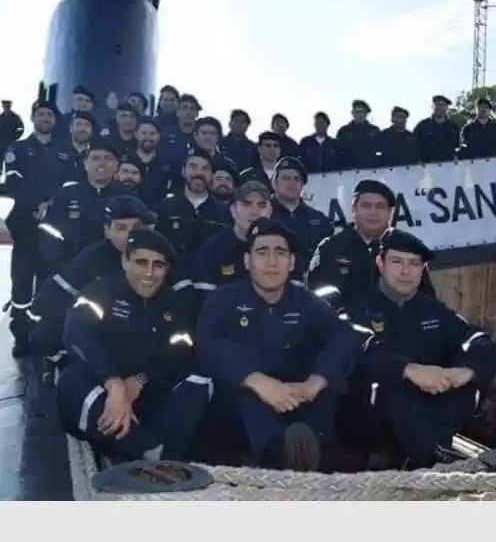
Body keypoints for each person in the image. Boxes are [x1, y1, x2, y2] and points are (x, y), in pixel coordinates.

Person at [196, 219, 360, 471]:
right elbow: (208, 344)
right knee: (247, 397)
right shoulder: (223, 299)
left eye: (280, 253)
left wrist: (315, 382)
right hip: (241, 410)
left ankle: (312, 452)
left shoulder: (306, 302)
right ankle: (281, 456)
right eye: (262, 252)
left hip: (297, 398)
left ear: (291, 263)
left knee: (328, 389)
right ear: (247, 261)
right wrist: (257, 380)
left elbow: (344, 336)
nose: (272, 262)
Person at [349, 229, 496, 469]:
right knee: (387, 385)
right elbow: (358, 345)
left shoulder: (432, 310)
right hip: (374, 427)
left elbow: (480, 340)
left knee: (467, 382)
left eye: (414, 264)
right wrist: (408, 370)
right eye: (397, 262)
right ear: (380, 263)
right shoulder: (358, 307)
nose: (405, 271)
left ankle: (431, 451)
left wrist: (467, 371)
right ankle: (432, 455)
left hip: (430, 416)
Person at [56, 229, 211, 463]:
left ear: (167, 270)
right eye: (141, 262)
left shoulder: (174, 305)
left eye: (158, 265)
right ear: (125, 261)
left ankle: (154, 448)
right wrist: (114, 383)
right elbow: (77, 333)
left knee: (200, 378)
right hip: (103, 388)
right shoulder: (100, 292)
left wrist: (139, 381)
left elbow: (179, 351)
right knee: (72, 383)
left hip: (148, 390)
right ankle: (146, 450)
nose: (149, 273)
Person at [30, 195, 187, 359]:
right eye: (121, 228)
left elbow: (183, 298)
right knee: (45, 334)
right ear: (107, 231)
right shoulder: (91, 258)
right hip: (99, 328)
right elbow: (48, 301)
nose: (130, 235)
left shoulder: (162, 254)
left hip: (147, 331)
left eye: (137, 227)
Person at [3, 100, 71, 356]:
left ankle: (43, 334)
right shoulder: (18, 149)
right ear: (33, 119)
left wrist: (51, 204)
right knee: (22, 284)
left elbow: (69, 186)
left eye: (49, 115)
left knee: (47, 283)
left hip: (53, 229)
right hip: (25, 225)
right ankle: (21, 335)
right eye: (40, 114)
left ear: (55, 121)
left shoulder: (64, 153)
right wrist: (37, 203)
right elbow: (12, 182)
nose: (45, 118)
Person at [307, 180, 436, 314]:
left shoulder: (407, 249)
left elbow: (426, 300)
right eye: (366, 206)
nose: (373, 212)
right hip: (345, 330)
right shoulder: (330, 248)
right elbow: (313, 299)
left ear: (390, 212)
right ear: (353, 210)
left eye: (380, 206)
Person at [38, 139, 126, 272]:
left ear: (116, 165)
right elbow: (48, 231)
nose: (101, 164)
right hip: (71, 269)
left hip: (115, 271)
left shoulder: (127, 198)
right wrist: (60, 265)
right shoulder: (66, 195)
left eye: (107, 158)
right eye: (95, 158)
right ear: (85, 164)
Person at [192, 180, 274, 296]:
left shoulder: (283, 248)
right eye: (246, 204)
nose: (255, 212)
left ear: (270, 211)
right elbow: (203, 304)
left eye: (262, 205)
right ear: (233, 210)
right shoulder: (211, 251)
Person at [269, 156, 333, 260]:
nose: (292, 183)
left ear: (303, 185)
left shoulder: (320, 220)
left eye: (297, 179)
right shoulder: (262, 214)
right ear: (274, 183)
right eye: (286, 178)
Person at [413, 95, 460, 164]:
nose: (441, 108)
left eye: (443, 105)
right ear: (433, 106)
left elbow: (459, 147)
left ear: (447, 108)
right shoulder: (422, 126)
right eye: (438, 105)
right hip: (427, 167)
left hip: (449, 167)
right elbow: (414, 147)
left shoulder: (453, 127)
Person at [0, 100, 25, 183]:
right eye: (4, 105)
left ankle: (9, 177)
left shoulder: (16, 117)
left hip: (11, 142)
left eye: (7, 105)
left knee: (10, 159)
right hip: (1, 142)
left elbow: (21, 129)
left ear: (10, 106)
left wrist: (15, 138)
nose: (6, 106)